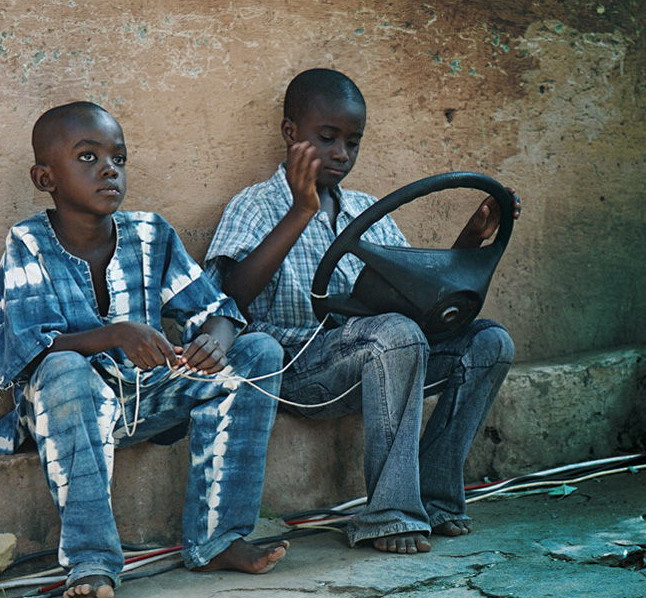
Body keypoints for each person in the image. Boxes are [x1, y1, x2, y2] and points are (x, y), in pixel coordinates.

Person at [0, 102, 288, 598]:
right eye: (88, 157)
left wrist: (217, 341)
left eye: (118, 157)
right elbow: (30, 349)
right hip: (65, 409)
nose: (108, 169)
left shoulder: (150, 234)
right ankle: (92, 560)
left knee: (259, 351)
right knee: (63, 368)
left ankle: (219, 539)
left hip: (144, 399)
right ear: (44, 177)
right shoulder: (28, 241)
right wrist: (117, 334)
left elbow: (218, 310)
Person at [204, 69, 520, 554]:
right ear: (292, 134)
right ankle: (390, 513)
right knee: (394, 332)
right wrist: (300, 211)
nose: (341, 154)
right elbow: (231, 297)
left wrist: (474, 236)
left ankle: (435, 498)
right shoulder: (255, 205)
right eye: (326, 138)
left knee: (489, 342)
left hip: (383, 355)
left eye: (353, 142)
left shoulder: (365, 209)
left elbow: (422, 299)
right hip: (298, 367)